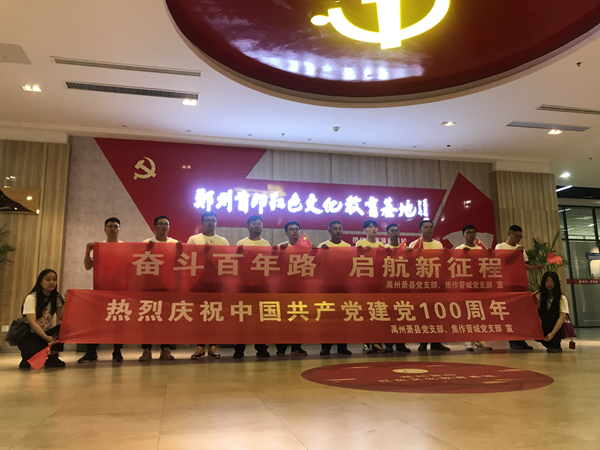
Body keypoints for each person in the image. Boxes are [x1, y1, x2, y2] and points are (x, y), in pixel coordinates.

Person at [78, 217, 124, 363]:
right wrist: (88, 251)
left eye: (115, 226)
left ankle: (117, 352)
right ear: (104, 229)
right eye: (110, 226)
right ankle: (91, 352)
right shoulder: (98, 247)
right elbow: (87, 266)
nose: (113, 229)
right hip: (99, 291)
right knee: (94, 323)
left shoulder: (125, 247)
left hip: (118, 291)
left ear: (119, 229)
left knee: (118, 322)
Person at [495, 225, 545, 351]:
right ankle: (513, 341)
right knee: (511, 313)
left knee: (521, 313)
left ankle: (521, 339)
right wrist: (516, 252)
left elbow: (523, 265)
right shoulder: (500, 246)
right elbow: (502, 262)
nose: (518, 239)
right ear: (509, 234)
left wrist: (535, 267)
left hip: (520, 284)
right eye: (516, 236)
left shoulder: (521, 249)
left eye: (520, 237)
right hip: (507, 284)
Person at [187, 211, 228, 359]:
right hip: (198, 282)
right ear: (202, 222)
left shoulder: (222, 241)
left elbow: (227, 261)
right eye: (208, 220)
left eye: (213, 220)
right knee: (199, 315)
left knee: (214, 314)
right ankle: (199, 346)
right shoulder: (194, 239)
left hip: (216, 283)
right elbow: (189, 257)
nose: (211, 222)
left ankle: (213, 346)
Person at [139, 215, 177, 361]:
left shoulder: (175, 243)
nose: (164, 226)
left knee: (166, 319)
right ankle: (146, 350)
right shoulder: (146, 243)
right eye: (161, 224)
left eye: (166, 224)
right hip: (150, 286)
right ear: (154, 226)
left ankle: (165, 349)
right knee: (148, 318)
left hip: (168, 286)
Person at [409, 220, 451, 352]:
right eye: (426, 227)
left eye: (431, 227)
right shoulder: (414, 245)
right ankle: (423, 342)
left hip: (435, 284)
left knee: (436, 314)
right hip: (420, 285)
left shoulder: (438, 244)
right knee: (423, 314)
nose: (429, 229)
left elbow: (442, 263)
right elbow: (409, 265)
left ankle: (436, 342)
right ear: (420, 230)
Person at [233, 215, 271, 358]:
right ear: (248, 226)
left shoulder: (266, 244)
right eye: (254, 223)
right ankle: (239, 349)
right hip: (244, 285)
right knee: (242, 317)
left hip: (261, 286)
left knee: (261, 319)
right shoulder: (241, 243)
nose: (257, 226)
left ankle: (261, 348)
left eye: (259, 223)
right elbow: (237, 264)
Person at [18, 269, 65, 369]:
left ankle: (53, 358)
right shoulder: (31, 298)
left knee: (63, 328)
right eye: (48, 280)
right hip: (32, 333)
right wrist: (46, 338)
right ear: (40, 282)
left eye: (54, 279)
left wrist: (67, 300)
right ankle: (27, 357)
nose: (52, 282)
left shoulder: (56, 297)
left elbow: (61, 316)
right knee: (30, 352)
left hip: (48, 331)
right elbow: (32, 322)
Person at [318, 220, 352, 356]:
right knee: (327, 317)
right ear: (329, 231)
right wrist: (320, 253)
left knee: (342, 317)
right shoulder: (323, 246)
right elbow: (316, 266)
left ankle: (342, 346)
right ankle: (325, 347)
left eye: (339, 228)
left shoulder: (347, 247)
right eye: (335, 229)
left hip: (343, 286)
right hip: (327, 287)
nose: (338, 231)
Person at [456, 225, 492, 352]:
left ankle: (480, 340)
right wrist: (463, 255)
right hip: (465, 286)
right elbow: (453, 267)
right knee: (467, 313)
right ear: (463, 234)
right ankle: (468, 341)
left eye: (473, 232)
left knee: (479, 312)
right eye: (468, 232)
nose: (471, 235)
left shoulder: (480, 249)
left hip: (478, 285)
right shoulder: (458, 249)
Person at [275, 221, 309, 357]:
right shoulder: (281, 248)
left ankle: (296, 347)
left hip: (300, 289)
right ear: (286, 233)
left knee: (298, 318)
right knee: (283, 319)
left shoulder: (306, 248)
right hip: (284, 289)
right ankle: (281, 348)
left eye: (297, 229)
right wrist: (276, 251)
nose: (295, 231)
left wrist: (316, 250)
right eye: (292, 229)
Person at [356, 219, 387, 355]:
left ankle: (377, 341)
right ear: (365, 230)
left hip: (378, 283)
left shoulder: (381, 245)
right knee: (367, 313)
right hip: (365, 283)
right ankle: (367, 342)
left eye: (375, 227)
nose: (373, 229)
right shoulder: (360, 243)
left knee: (378, 312)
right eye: (370, 227)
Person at [384, 223, 411, 353]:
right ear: (387, 233)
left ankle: (401, 344)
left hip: (402, 287)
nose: (395, 232)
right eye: (392, 230)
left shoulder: (406, 249)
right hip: (388, 288)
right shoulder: (383, 249)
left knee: (402, 315)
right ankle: (388, 344)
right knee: (389, 317)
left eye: (396, 230)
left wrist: (412, 254)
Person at [535, 272, 568, 353]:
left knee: (549, 316)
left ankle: (555, 343)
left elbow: (562, 317)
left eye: (552, 281)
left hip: (556, 328)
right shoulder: (540, 296)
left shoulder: (561, 298)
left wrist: (552, 334)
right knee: (544, 316)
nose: (549, 284)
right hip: (544, 326)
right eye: (547, 281)